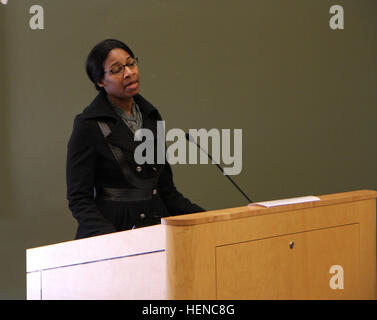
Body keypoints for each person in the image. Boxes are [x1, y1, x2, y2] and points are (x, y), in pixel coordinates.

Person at [66, 39, 204, 239]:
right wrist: (112, 239)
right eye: (117, 69)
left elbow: (167, 191)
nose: (129, 72)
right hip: (113, 236)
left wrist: (208, 218)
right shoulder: (88, 125)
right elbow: (79, 199)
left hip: (157, 234)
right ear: (100, 81)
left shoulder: (151, 117)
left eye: (131, 63)